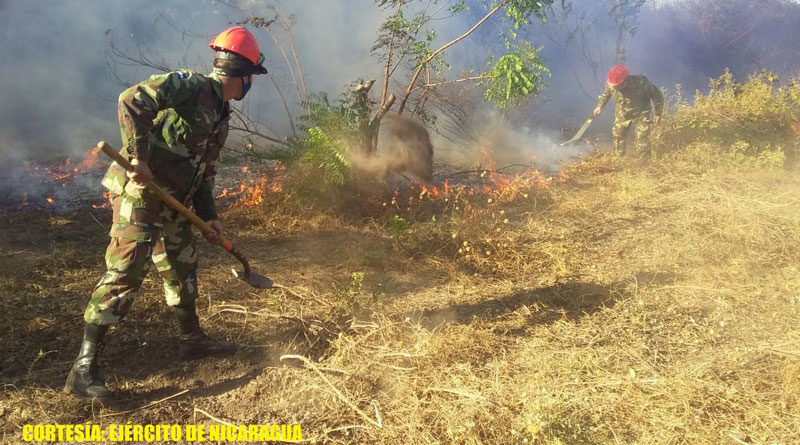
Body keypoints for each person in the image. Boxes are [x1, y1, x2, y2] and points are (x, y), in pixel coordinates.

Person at [63, 27, 268, 402]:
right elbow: (131, 100)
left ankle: (192, 340)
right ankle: (83, 369)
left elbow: (204, 171)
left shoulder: (221, 114)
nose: (249, 84)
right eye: (251, 77)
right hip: (141, 194)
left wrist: (210, 216)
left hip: (176, 201)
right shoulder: (190, 86)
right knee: (125, 273)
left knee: (182, 263)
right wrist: (138, 158)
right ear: (242, 75)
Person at [593, 65, 664, 158]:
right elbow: (605, 95)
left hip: (641, 112)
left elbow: (657, 96)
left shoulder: (641, 83)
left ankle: (644, 163)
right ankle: (619, 160)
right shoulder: (611, 84)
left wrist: (658, 113)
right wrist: (599, 107)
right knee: (618, 136)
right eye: (614, 85)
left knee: (642, 138)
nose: (615, 87)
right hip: (622, 113)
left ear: (625, 80)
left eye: (618, 85)